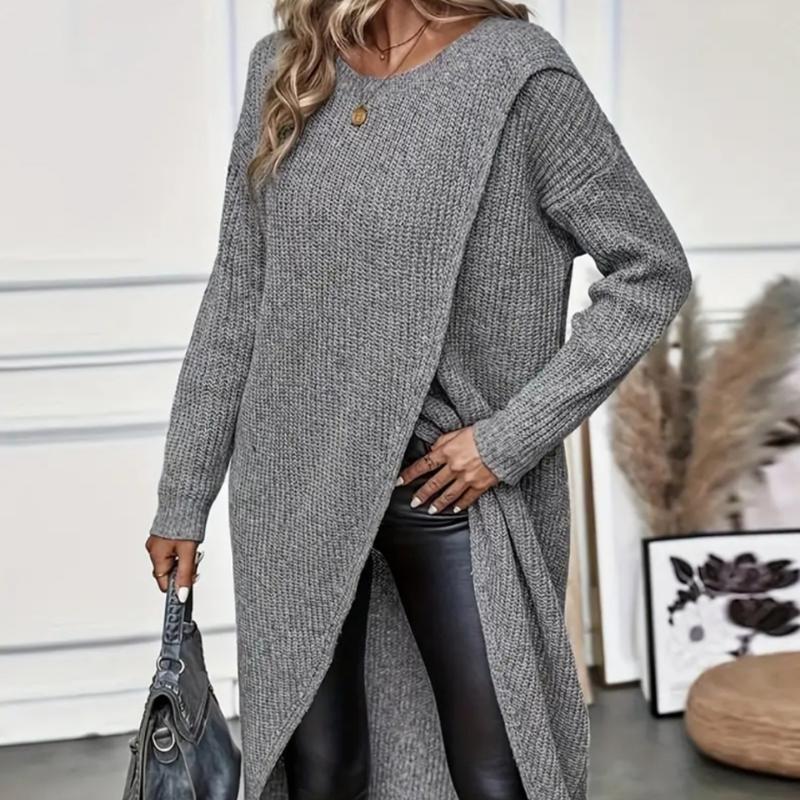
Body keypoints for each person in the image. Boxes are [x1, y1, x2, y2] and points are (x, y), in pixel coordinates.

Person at [145, 2, 692, 799]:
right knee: (320, 773)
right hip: (295, 480)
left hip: (444, 485)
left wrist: (507, 440)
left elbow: (651, 270)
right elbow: (239, 293)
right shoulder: (287, 67)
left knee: (501, 772)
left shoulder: (519, 76)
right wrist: (183, 497)